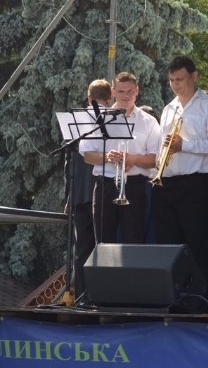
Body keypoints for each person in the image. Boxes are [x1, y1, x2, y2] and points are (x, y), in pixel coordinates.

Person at [155, 56, 208, 305]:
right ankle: (174, 298)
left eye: (180, 79)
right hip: (168, 183)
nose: (176, 85)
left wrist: (184, 145)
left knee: (199, 243)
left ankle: (203, 300)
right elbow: (162, 145)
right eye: (172, 80)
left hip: (194, 183)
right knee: (169, 244)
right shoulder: (169, 108)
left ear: (194, 76)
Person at [81, 72, 160, 246]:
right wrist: (107, 157)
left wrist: (133, 159)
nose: (126, 96)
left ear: (137, 90)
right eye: (121, 91)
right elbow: (87, 156)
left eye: (130, 91)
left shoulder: (149, 121)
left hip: (135, 186)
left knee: (134, 241)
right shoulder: (99, 119)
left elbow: (156, 160)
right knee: (103, 242)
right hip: (105, 185)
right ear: (113, 91)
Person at [68, 79, 111, 298]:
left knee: (82, 248)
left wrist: (69, 197)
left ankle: (81, 295)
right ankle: (101, 295)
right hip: (101, 189)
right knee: (102, 244)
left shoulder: (77, 122)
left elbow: (70, 163)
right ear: (109, 98)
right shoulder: (114, 119)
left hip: (80, 193)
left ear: (88, 98)